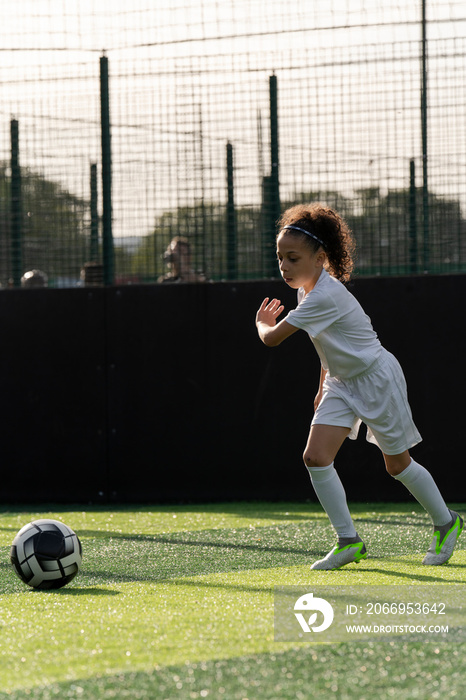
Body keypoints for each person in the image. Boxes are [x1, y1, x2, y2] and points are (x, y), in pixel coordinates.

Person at [255, 203, 463, 570]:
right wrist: (323, 387)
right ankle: (348, 541)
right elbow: (326, 344)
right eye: (280, 258)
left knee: (397, 466)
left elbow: (271, 338)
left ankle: (447, 522)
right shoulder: (306, 292)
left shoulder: (321, 295)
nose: (284, 266)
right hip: (340, 381)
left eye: (293, 258)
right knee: (315, 457)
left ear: (319, 258)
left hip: (377, 379)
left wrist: (260, 323)